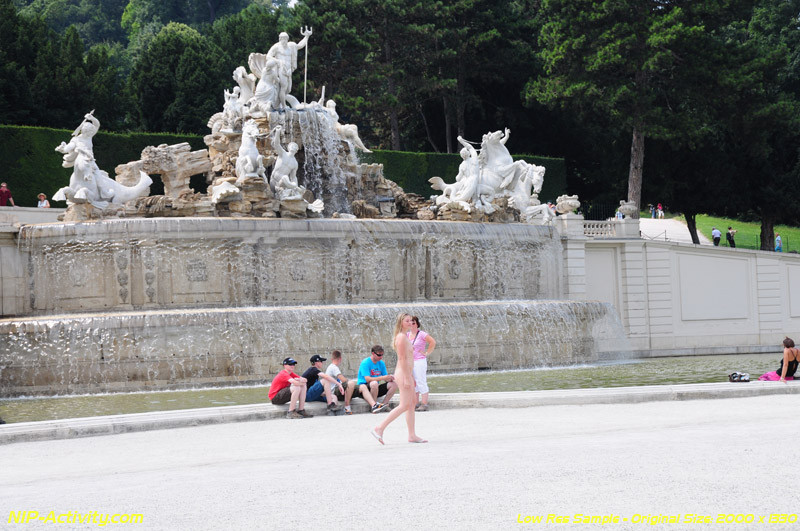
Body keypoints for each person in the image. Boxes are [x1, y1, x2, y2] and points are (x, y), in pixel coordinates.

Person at [371, 313, 427, 444]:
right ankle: (379, 428)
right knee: (404, 405)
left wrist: (411, 375)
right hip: (403, 373)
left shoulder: (404, 337)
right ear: (401, 323)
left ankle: (412, 435)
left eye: (411, 321)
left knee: (412, 403)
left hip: (407, 372)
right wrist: (407, 377)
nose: (410, 323)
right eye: (407, 321)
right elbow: (402, 359)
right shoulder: (401, 337)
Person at [266, 28, 312, 109]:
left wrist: (306, 37)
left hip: (289, 69)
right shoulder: (276, 47)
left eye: (285, 39)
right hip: (280, 68)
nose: (283, 40)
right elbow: (268, 56)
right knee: (283, 87)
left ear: (287, 39)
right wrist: (277, 61)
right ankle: (283, 106)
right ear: (279, 39)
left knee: (288, 89)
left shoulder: (291, 46)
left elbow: (300, 45)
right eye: (282, 39)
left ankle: (279, 103)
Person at [357, 345, 398, 413]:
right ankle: (374, 406)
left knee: (393, 384)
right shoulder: (365, 363)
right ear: (373, 353)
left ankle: (384, 405)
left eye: (382, 355)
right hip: (364, 388)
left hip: (375, 388)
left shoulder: (381, 363)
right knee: (374, 383)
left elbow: (385, 378)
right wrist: (382, 377)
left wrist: (390, 378)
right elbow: (367, 379)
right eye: (379, 355)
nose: (381, 357)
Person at [408, 315, 436, 411]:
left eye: (413, 322)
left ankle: (424, 403)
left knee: (421, 381)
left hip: (419, 360)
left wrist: (427, 353)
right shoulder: (407, 335)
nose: (411, 324)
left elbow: (432, 342)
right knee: (413, 382)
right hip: (410, 361)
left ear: (417, 324)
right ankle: (416, 403)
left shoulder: (422, 334)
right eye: (409, 322)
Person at [325, 350, 358, 414]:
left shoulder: (330, 367)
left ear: (332, 359)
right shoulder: (334, 368)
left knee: (356, 386)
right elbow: (344, 380)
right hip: (333, 392)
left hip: (332, 391)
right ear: (340, 359)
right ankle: (347, 407)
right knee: (351, 384)